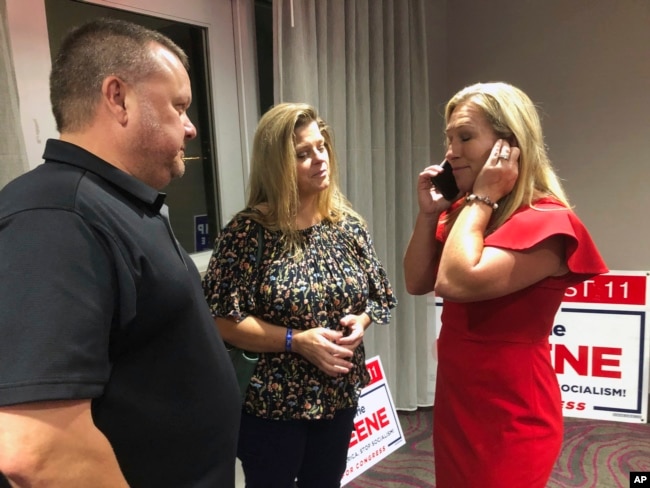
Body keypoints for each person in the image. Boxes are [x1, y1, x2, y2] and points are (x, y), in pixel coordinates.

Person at [0, 18, 240, 487]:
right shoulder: (56, 217)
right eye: (179, 106)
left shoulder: (114, 205)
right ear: (118, 98)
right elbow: (38, 447)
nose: (191, 127)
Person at [403, 82, 608, 488]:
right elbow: (416, 281)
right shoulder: (471, 213)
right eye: (448, 139)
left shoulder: (548, 221)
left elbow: (455, 281)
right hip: (459, 397)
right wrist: (430, 216)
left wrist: (481, 198)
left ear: (508, 146)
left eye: (465, 137)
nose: (450, 152)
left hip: (512, 410)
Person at [202, 102, 397, 488]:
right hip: (272, 406)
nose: (319, 159)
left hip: (338, 396)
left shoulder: (346, 225)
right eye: (302, 154)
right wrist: (296, 341)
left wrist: (361, 322)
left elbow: (379, 295)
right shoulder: (247, 233)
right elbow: (221, 320)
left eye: (321, 147)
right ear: (276, 164)